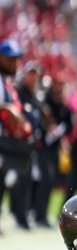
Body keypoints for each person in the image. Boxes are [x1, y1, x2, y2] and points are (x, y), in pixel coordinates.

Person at [0, 39, 34, 232]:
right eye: (10, 59)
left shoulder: (5, 82)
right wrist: (7, 108)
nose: (14, 63)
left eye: (16, 59)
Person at [33, 75, 74, 226]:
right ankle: (37, 213)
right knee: (44, 178)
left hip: (54, 149)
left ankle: (41, 214)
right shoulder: (44, 102)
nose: (59, 88)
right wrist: (47, 127)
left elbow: (70, 125)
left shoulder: (64, 107)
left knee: (50, 180)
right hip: (41, 147)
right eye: (58, 85)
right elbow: (38, 119)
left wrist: (59, 129)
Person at [13, 61, 44, 227]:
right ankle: (18, 215)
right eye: (30, 74)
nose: (33, 77)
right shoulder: (18, 93)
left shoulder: (36, 96)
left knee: (26, 179)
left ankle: (22, 215)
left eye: (35, 74)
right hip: (15, 142)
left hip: (30, 144)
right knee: (17, 179)